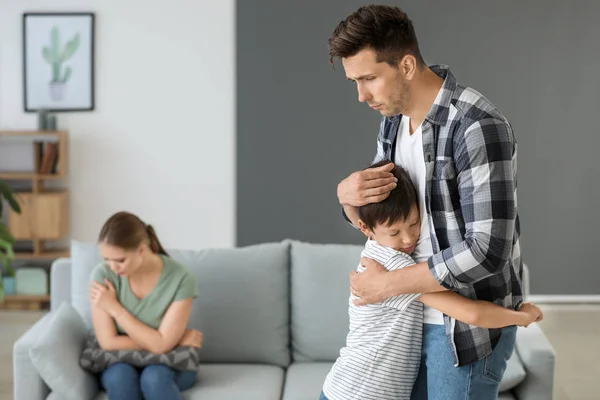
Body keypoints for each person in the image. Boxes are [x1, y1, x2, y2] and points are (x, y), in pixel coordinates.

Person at [329, 5, 524, 399]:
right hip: (409, 317)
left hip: (461, 328)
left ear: (405, 66)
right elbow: (385, 218)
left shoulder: (476, 126)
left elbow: (489, 250)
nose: (361, 95)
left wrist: (389, 285)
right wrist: (347, 201)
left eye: (368, 78)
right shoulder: (393, 121)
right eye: (355, 81)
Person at [320, 161, 542, 400]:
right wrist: (522, 317)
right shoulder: (395, 266)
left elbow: (366, 217)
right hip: (359, 393)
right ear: (365, 228)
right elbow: (472, 315)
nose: (408, 239)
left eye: (414, 224)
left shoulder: (377, 247)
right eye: (395, 232)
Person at [89, 211, 202, 400]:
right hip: (120, 362)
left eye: (120, 260)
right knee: (120, 378)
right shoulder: (103, 276)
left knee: (154, 378)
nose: (112, 268)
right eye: (106, 259)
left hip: (169, 365)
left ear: (142, 249)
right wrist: (168, 342)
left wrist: (115, 309)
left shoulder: (181, 278)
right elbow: (108, 342)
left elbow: (161, 345)